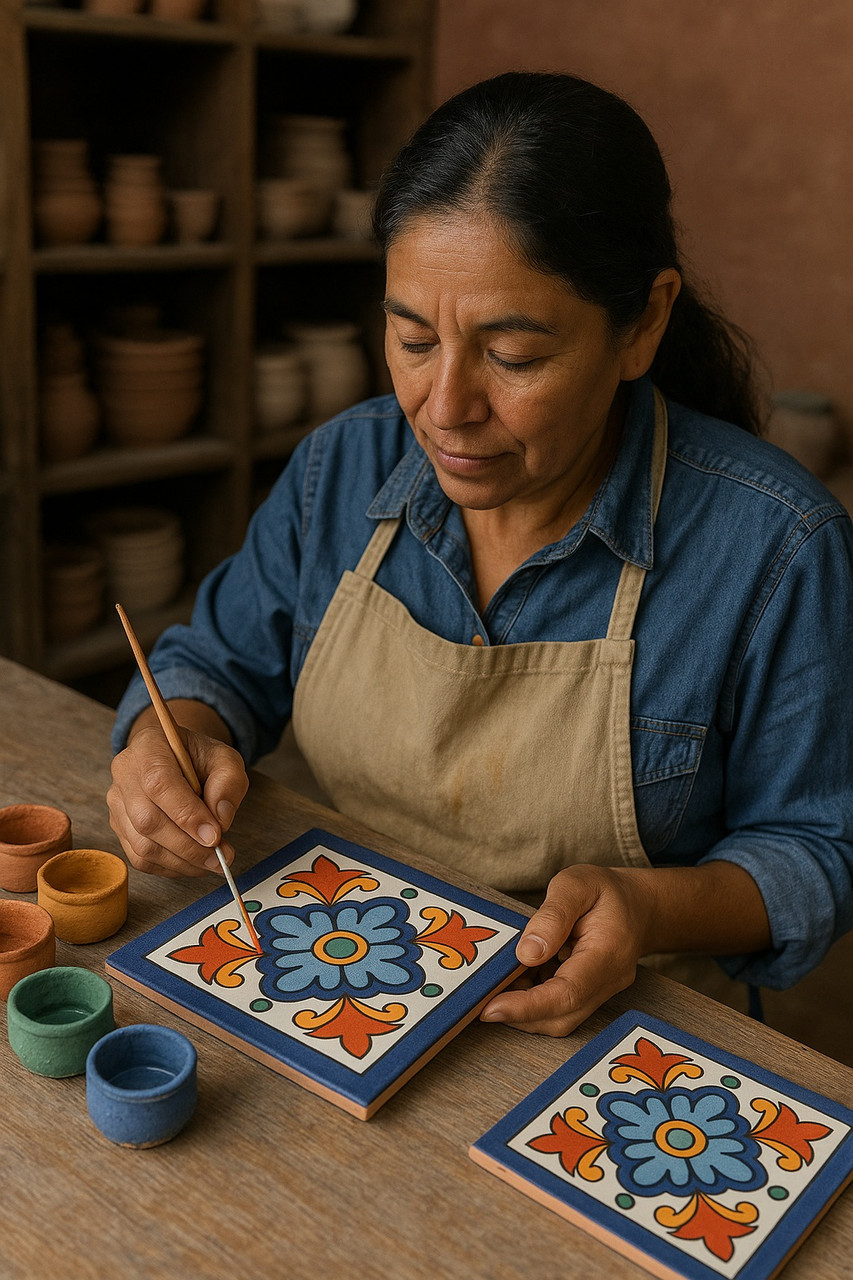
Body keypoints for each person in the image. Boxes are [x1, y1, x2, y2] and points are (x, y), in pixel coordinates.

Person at [108, 71, 853, 1037]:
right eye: (412, 338)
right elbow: (215, 665)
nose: (445, 408)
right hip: (334, 983)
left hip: (609, 1048)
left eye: (512, 357)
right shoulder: (342, 466)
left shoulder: (774, 546)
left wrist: (652, 907)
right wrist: (168, 743)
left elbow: (815, 847)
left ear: (644, 323)